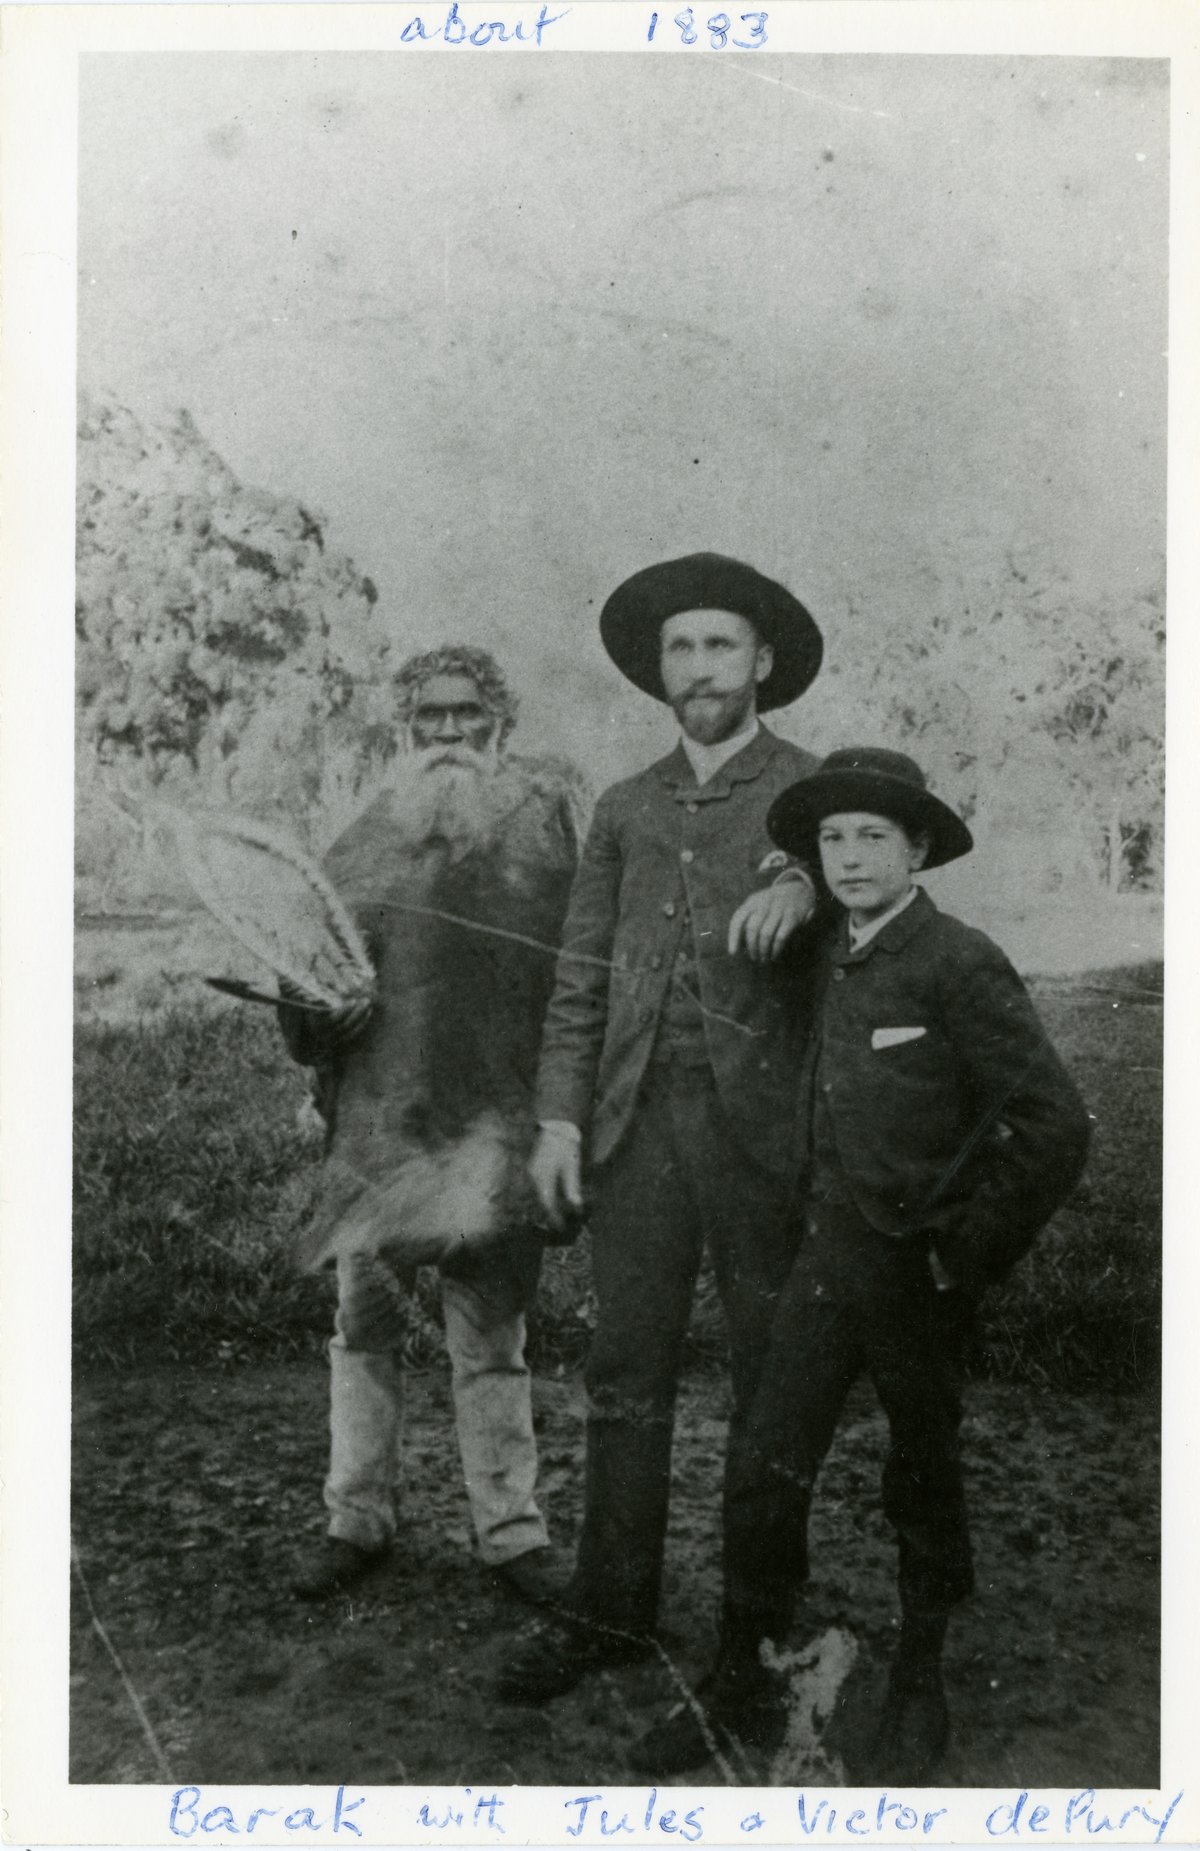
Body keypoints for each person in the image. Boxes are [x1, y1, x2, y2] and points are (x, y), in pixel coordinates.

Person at [710, 745, 1092, 1782]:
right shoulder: (822, 944)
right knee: (764, 1458)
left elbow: (1052, 1122)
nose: (849, 856)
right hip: (828, 1256)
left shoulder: (956, 959)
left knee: (922, 1472)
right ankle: (741, 1669)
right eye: (831, 839)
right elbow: (761, 893)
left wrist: (962, 1254)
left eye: (873, 835)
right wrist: (788, 878)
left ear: (918, 847)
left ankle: (921, 1677)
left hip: (918, 1272)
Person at [499, 552, 826, 1744]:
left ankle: (757, 1644)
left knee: (767, 1387)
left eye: (721, 647)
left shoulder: (811, 788)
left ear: (764, 663)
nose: (700, 669)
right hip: (636, 1136)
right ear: (660, 670)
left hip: (761, 1145)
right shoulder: (624, 807)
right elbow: (580, 981)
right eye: (681, 649)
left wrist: (804, 880)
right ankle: (610, 1609)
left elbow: (876, 860)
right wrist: (559, 1121)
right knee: (625, 1377)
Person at [284, 645, 579, 1605]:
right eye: (430, 719)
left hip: (495, 1133)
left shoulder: (549, 833)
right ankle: (355, 1518)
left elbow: (583, 985)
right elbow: (303, 989)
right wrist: (318, 1017)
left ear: (502, 725)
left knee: (491, 1340)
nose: (449, 734)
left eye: (468, 716)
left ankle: (510, 1532)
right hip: (377, 1137)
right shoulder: (360, 840)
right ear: (402, 730)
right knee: (363, 1333)